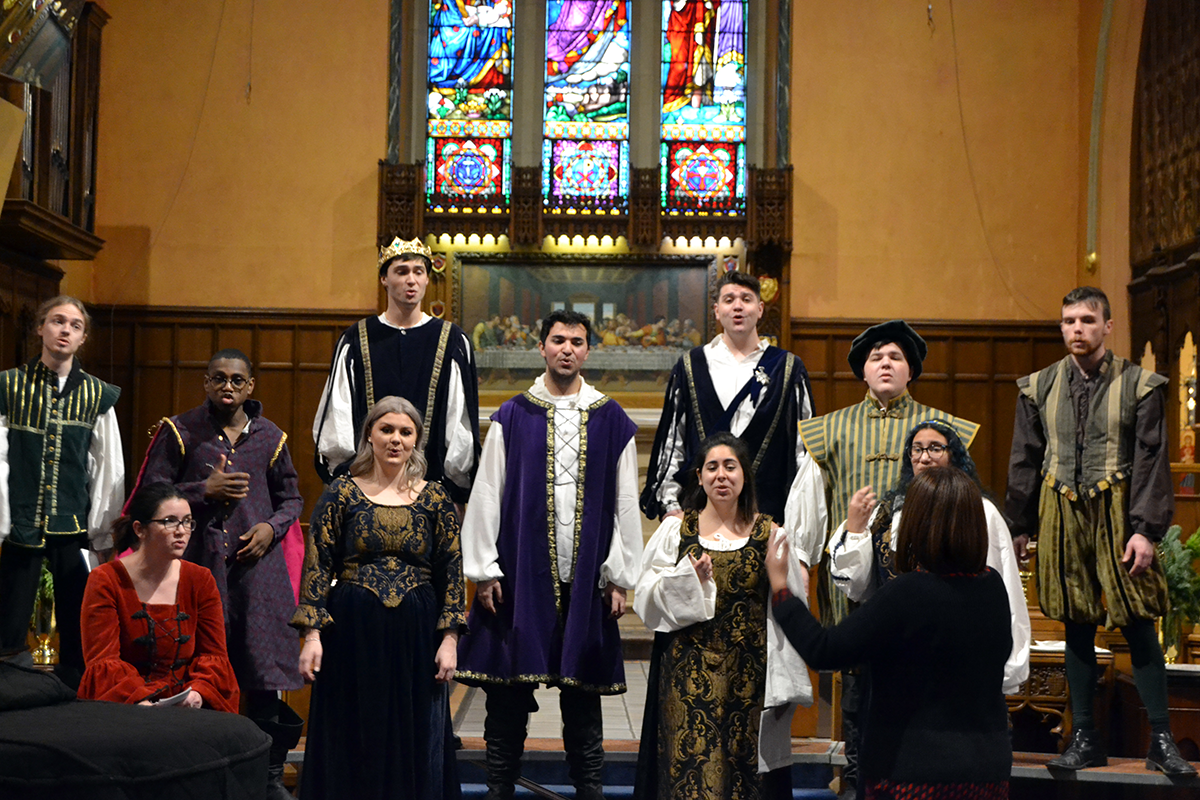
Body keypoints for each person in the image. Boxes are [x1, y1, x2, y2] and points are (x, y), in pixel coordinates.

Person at [1004, 286, 1196, 776]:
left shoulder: (1140, 384)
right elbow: (1025, 456)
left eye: (1088, 320)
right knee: (1076, 623)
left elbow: (1151, 457)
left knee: (1137, 620)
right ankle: (1085, 737)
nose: (1077, 330)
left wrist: (1145, 532)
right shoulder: (1039, 386)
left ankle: (1160, 740)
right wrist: (1020, 524)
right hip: (1061, 507)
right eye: (1069, 321)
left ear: (1107, 326)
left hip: (1119, 513)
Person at [456, 309, 642, 800]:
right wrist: (483, 569)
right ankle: (499, 789)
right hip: (518, 574)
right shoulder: (512, 415)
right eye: (558, 340)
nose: (567, 349)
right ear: (541, 347)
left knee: (583, 696)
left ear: (587, 351)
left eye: (577, 342)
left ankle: (591, 791)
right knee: (507, 693)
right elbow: (487, 493)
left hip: (587, 580)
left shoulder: (611, 418)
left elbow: (625, 502)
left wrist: (620, 576)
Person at [789, 319, 978, 800]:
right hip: (853, 584)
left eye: (895, 357)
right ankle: (857, 782)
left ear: (910, 369)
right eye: (876, 357)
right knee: (856, 687)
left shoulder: (943, 429)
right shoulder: (828, 430)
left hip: (929, 585)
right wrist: (799, 568)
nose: (886, 364)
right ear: (863, 372)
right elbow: (807, 511)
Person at [769, 468, 1013, 799]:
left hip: (913, 771)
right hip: (986, 770)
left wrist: (782, 589)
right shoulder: (992, 587)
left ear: (917, 523)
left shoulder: (908, 593)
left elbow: (824, 650)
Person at [134, 348, 305, 798]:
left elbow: (292, 499)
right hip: (199, 569)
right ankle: (206, 775)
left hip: (257, 574)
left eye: (236, 380)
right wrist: (199, 491)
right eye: (218, 379)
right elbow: (150, 495)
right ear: (206, 383)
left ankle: (268, 777)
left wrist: (271, 527)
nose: (227, 387)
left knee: (261, 674)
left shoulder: (271, 437)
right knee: (200, 669)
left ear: (250, 386)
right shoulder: (181, 431)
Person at [294, 396, 464, 799]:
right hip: (352, 634)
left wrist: (451, 640)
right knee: (352, 730)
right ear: (369, 434)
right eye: (386, 429)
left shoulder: (435, 498)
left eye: (406, 432)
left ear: (416, 441)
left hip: (417, 636)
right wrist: (313, 637)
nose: (395, 440)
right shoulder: (341, 494)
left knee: (415, 731)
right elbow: (317, 563)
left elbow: (451, 572)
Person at [634, 432, 811, 800]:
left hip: (750, 679)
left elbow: (792, 608)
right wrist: (688, 580)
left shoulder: (771, 534)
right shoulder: (676, 531)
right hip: (686, 677)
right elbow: (646, 601)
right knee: (691, 774)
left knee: (744, 778)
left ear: (744, 474)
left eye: (730, 466)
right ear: (699, 477)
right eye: (711, 467)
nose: (721, 475)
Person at [828, 420, 1030, 695]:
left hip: (960, 656)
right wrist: (854, 530)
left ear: (953, 455)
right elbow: (857, 587)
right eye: (917, 449)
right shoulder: (888, 515)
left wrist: (1007, 670)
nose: (924, 457)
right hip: (897, 659)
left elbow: (1004, 591)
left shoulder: (980, 512)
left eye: (935, 448)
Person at [0, 295, 125, 686]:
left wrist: (103, 531)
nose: (65, 330)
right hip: (19, 523)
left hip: (70, 525)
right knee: (9, 622)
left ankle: (75, 697)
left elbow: (108, 467)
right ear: (40, 328)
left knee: (77, 622)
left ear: (83, 337)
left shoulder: (97, 395)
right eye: (57, 321)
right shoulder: (10, 385)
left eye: (74, 325)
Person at [313, 237, 480, 512]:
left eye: (418, 271)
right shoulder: (356, 339)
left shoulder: (452, 341)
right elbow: (338, 416)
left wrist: (456, 485)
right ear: (384, 279)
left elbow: (458, 421)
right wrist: (345, 478)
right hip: (365, 491)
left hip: (431, 491)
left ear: (428, 279)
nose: (411, 280)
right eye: (401, 272)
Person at [643, 270, 813, 526]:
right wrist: (670, 507)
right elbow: (672, 441)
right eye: (729, 299)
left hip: (767, 516)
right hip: (699, 516)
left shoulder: (787, 368)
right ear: (716, 310)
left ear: (760, 308)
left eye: (746, 299)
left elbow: (803, 450)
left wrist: (800, 519)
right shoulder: (691, 366)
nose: (738, 306)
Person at [78, 482, 239, 712]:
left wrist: (197, 693)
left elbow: (212, 656)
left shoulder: (200, 580)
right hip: (126, 707)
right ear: (139, 529)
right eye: (169, 521)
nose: (181, 530)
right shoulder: (105, 580)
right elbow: (103, 663)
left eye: (187, 522)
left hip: (186, 709)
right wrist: (144, 702)